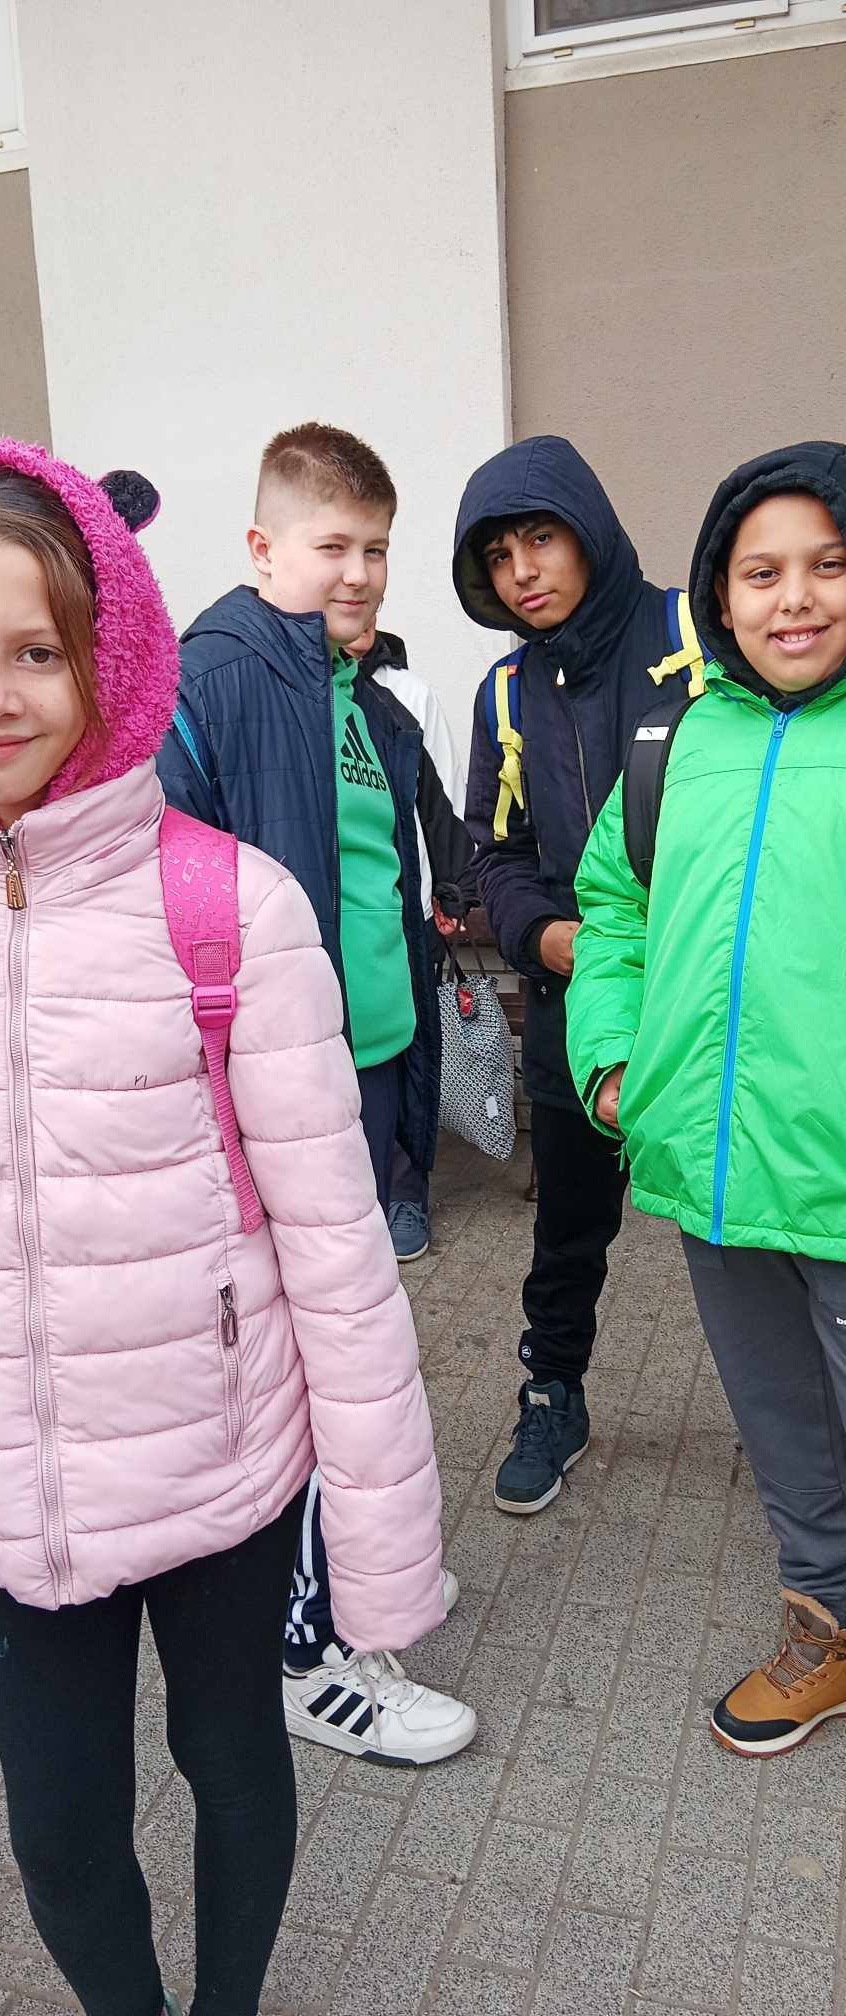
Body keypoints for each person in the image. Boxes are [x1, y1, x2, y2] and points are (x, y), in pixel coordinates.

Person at [0, 435, 449, 2016]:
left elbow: (342, 1265)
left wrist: (382, 1562)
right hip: (10, 1499)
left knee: (235, 1766)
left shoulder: (228, 906)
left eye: (40, 650)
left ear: (113, 658)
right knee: (59, 1837)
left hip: (222, 1466)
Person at [157, 421, 476, 1765]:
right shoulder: (219, 676)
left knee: (350, 1356)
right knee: (297, 1367)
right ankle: (306, 1652)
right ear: (262, 547)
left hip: (367, 1075)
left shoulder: (362, 697)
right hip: (272, 1100)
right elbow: (160, 895)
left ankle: (344, 1576)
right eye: (331, 545)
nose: (357, 572)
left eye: (375, 549)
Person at [567, 441, 846, 1759]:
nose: (795, 598)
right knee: (783, 1425)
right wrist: (614, 1066)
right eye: (761, 572)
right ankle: (823, 1628)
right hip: (714, 1174)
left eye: (828, 565)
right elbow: (613, 911)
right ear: (718, 596)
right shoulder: (675, 741)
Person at [455, 435, 699, 1518]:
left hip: (710, 1001)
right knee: (567, 1234)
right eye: (498, 556)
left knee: (756, 1233)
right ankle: (553, 1391)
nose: (523, 572)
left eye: (540, 539)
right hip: (574, 1013)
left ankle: (808, 1421)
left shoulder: (696, 635)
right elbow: (493, 851)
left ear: (588, 530)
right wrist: (544, 938)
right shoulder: (506, 693)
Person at [349, 613, 473, 1261]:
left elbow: (444, 797)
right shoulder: (295, 697)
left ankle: (405, 1192)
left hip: (408, 915)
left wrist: (450, 888)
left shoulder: (408, 695)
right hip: (332, 916)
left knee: (407, 1056)